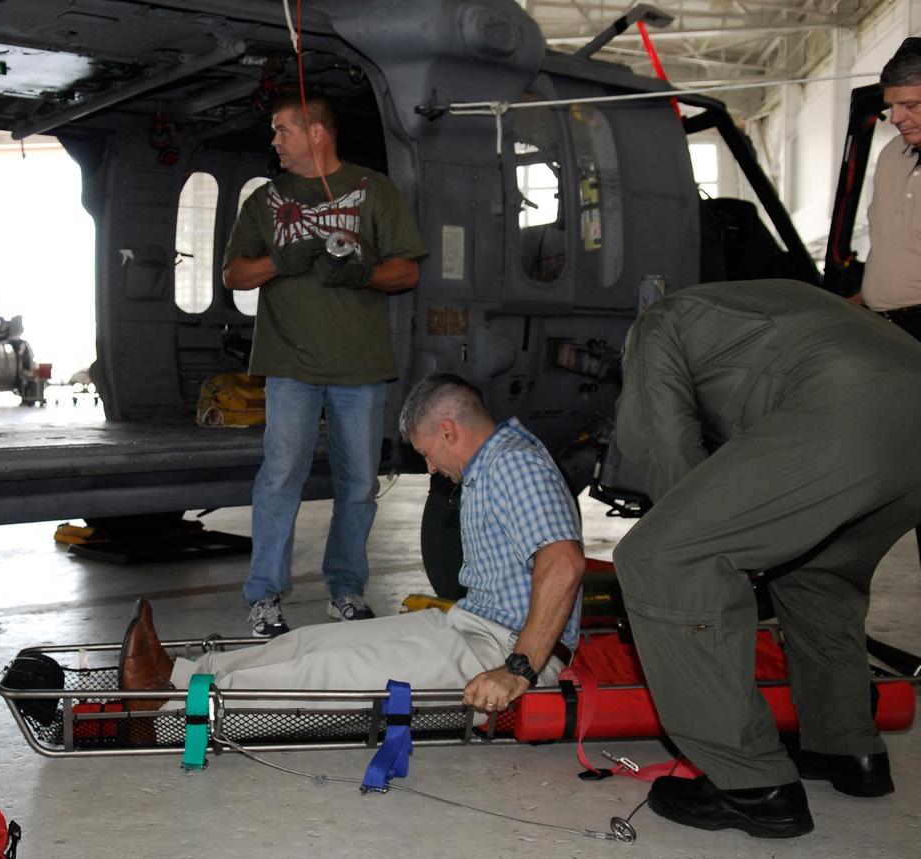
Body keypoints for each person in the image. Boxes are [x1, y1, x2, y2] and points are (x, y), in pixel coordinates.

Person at [612, 279, 921, 839]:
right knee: (817, 573)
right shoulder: (760, 305)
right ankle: (846, 749)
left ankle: (749, 784)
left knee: (663, 559)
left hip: (848, 403)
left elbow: (665, 445)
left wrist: (695, 538)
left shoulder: (657, 323)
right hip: (907, 411)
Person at [118, 374, 585, 716]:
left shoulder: (514, 464)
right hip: (471, 625)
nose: (431, 467)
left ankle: (169, 709)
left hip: (508, 651)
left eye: (426, 453)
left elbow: (564, 563)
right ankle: (181, 675)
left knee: (331, 673)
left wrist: (518, 669)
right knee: (311, 642)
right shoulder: (492, 464)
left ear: (448, 431)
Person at [222, 91, 427, 637]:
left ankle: (346, 591)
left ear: (316, 132)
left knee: (358, 485)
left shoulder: (374, 191)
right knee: (280, 477)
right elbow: (234, 275)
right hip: (289, 364)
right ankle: (265, 597)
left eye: (282, 130)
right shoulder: (266, 200)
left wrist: (363, 274)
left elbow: (407, 272)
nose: (275, 141)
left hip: (360, 368)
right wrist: (278, 261)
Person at [858, 37, 921, 339]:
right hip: (884, 325)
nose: (895, 118)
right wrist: (864, 297)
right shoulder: (891, 154)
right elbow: (890, 246)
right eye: (891, 105)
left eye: (909, 105)